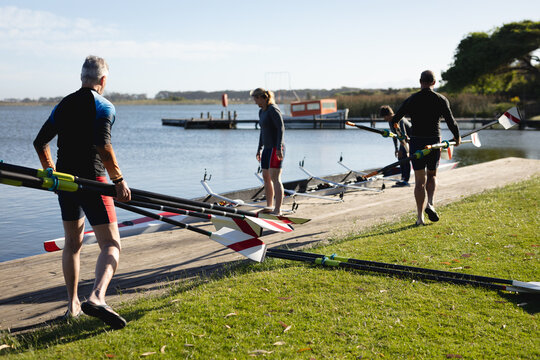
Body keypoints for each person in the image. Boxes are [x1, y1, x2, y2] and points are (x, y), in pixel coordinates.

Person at [33, 55, 131, 329]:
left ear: (81, 78)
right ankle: (97, 297)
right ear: (103, 80)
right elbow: (104, 146)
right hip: (95, 183)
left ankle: (72, 305)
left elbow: (40, 142)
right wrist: (119, 179)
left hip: (65, 183)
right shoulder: (104, 105)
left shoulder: (63, 105)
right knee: (111, 244)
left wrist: (51, 174)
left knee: (72, 244)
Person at [391, 70, 461, 226]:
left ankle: (419, 217)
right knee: (432, 176)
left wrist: (401, 136)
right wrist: (457, 137)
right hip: (434, 142)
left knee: (419, 182)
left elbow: (394, 121)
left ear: (420, 81)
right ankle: (430, 203)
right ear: (434, 83)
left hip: (416, 143)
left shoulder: (412, 99)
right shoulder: (441, 100)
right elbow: (451, 122)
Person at [251, 88, 285, 215]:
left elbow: (281, 128)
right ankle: (270, 206)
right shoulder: (262, 112)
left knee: (275, 177)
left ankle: (278, 210)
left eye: (256, 99)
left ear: (262, 97)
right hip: (266, 149)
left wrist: (279, 147)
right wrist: (259, 148)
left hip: (275, 148)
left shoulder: (273, 109)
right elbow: (262, 131)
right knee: (266, 177)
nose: (255, 102)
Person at [379, 105, 412, 187]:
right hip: (405, 140)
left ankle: (406, 180)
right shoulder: (390, 121)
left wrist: (402, 149)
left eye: (384, 117)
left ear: (388, 115)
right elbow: (394, 136)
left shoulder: (398, 119)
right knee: (400, 158)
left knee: (404, 157)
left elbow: (403, 135)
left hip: (412, 138)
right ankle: (403, 178)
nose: (384, 119)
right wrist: (396, 149)